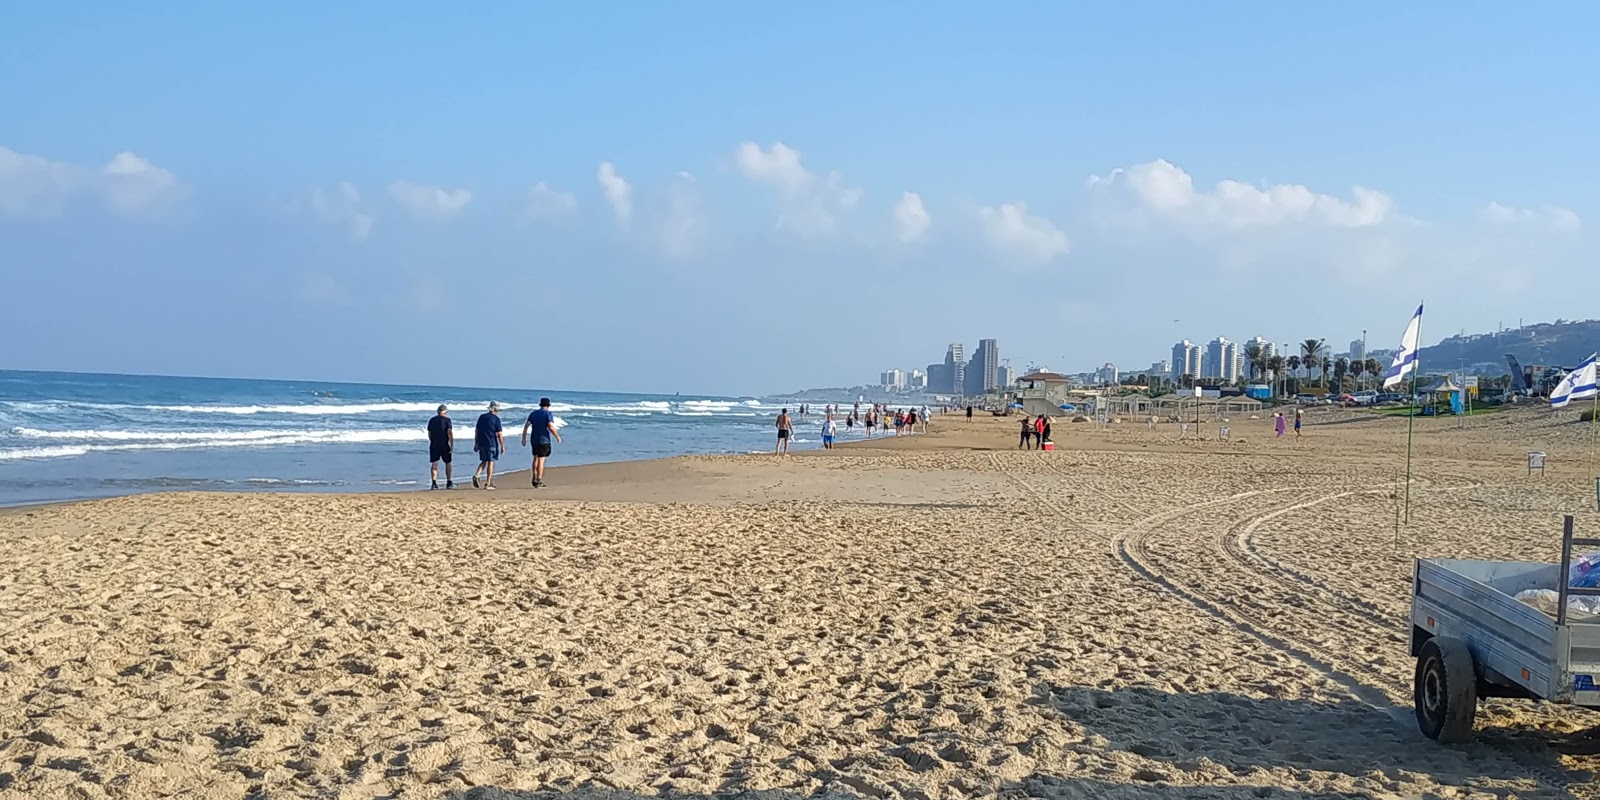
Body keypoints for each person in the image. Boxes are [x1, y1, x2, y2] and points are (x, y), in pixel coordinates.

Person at [521, 397, 563, 488]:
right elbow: (551, 426)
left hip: (534, 439)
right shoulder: (548, 414)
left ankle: (534, 476)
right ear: (548, 405)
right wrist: (557, 436)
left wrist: (523, 438)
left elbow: (526, 426)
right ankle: (539, 480)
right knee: (541, 460)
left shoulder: (533, 413)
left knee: (535, 458)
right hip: (544, 440)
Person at [472, 401, 505, 489]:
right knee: (491, 461)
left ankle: (477, 474)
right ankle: (488, 482)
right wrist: (502, 446)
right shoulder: (496, 419)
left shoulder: (482, 417)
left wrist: (476, 443)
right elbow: (499, 434)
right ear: (495, 409)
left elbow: (477, 431)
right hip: (492, 443)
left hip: (482, 443)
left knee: (484, 461)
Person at [427, 404, 455, 490]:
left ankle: (434, 483)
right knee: (448, 463)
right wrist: (452, 444)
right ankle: (449, 482)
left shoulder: (432, 420)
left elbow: (429, 433)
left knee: (434, 463)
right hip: (444, 444)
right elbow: (449, 432)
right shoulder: (447, 420)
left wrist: (432, 440)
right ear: (445, 412)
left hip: (434, 444)